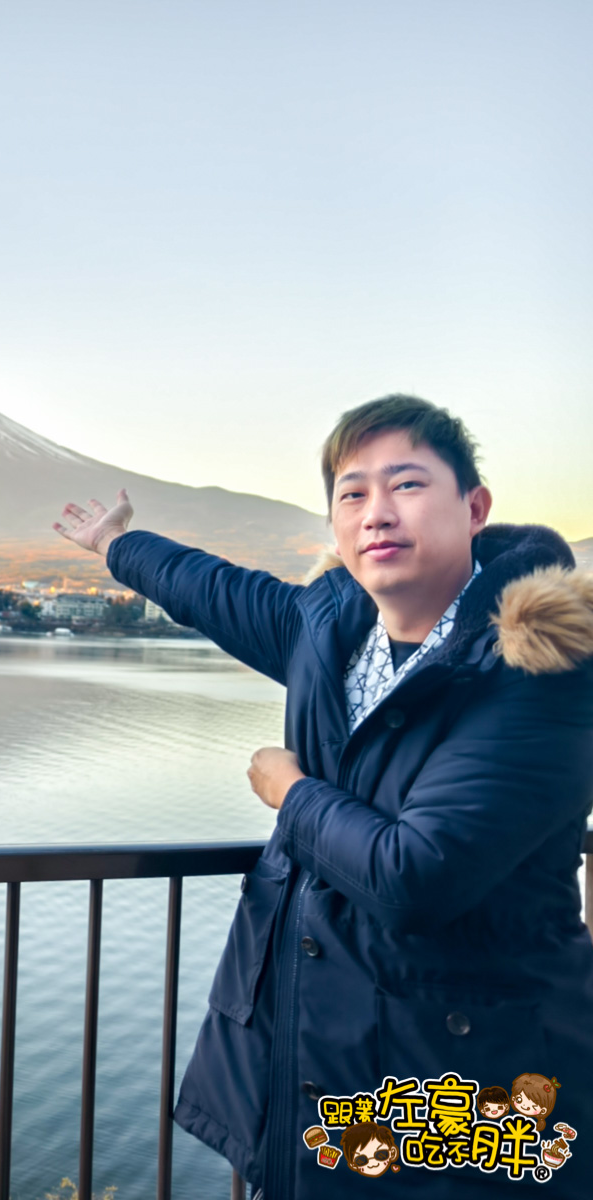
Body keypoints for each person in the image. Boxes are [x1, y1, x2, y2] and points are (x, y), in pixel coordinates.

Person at [54, 395, 593, 1198]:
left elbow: (417, 876)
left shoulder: (536, 674)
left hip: (462, 1086)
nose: (377, 513)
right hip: (319, 1060)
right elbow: (213, 589)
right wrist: (116, 543)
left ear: (474, 508)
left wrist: (291, 792)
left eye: (406, 485)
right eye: (352, 493)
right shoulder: (329, 625)